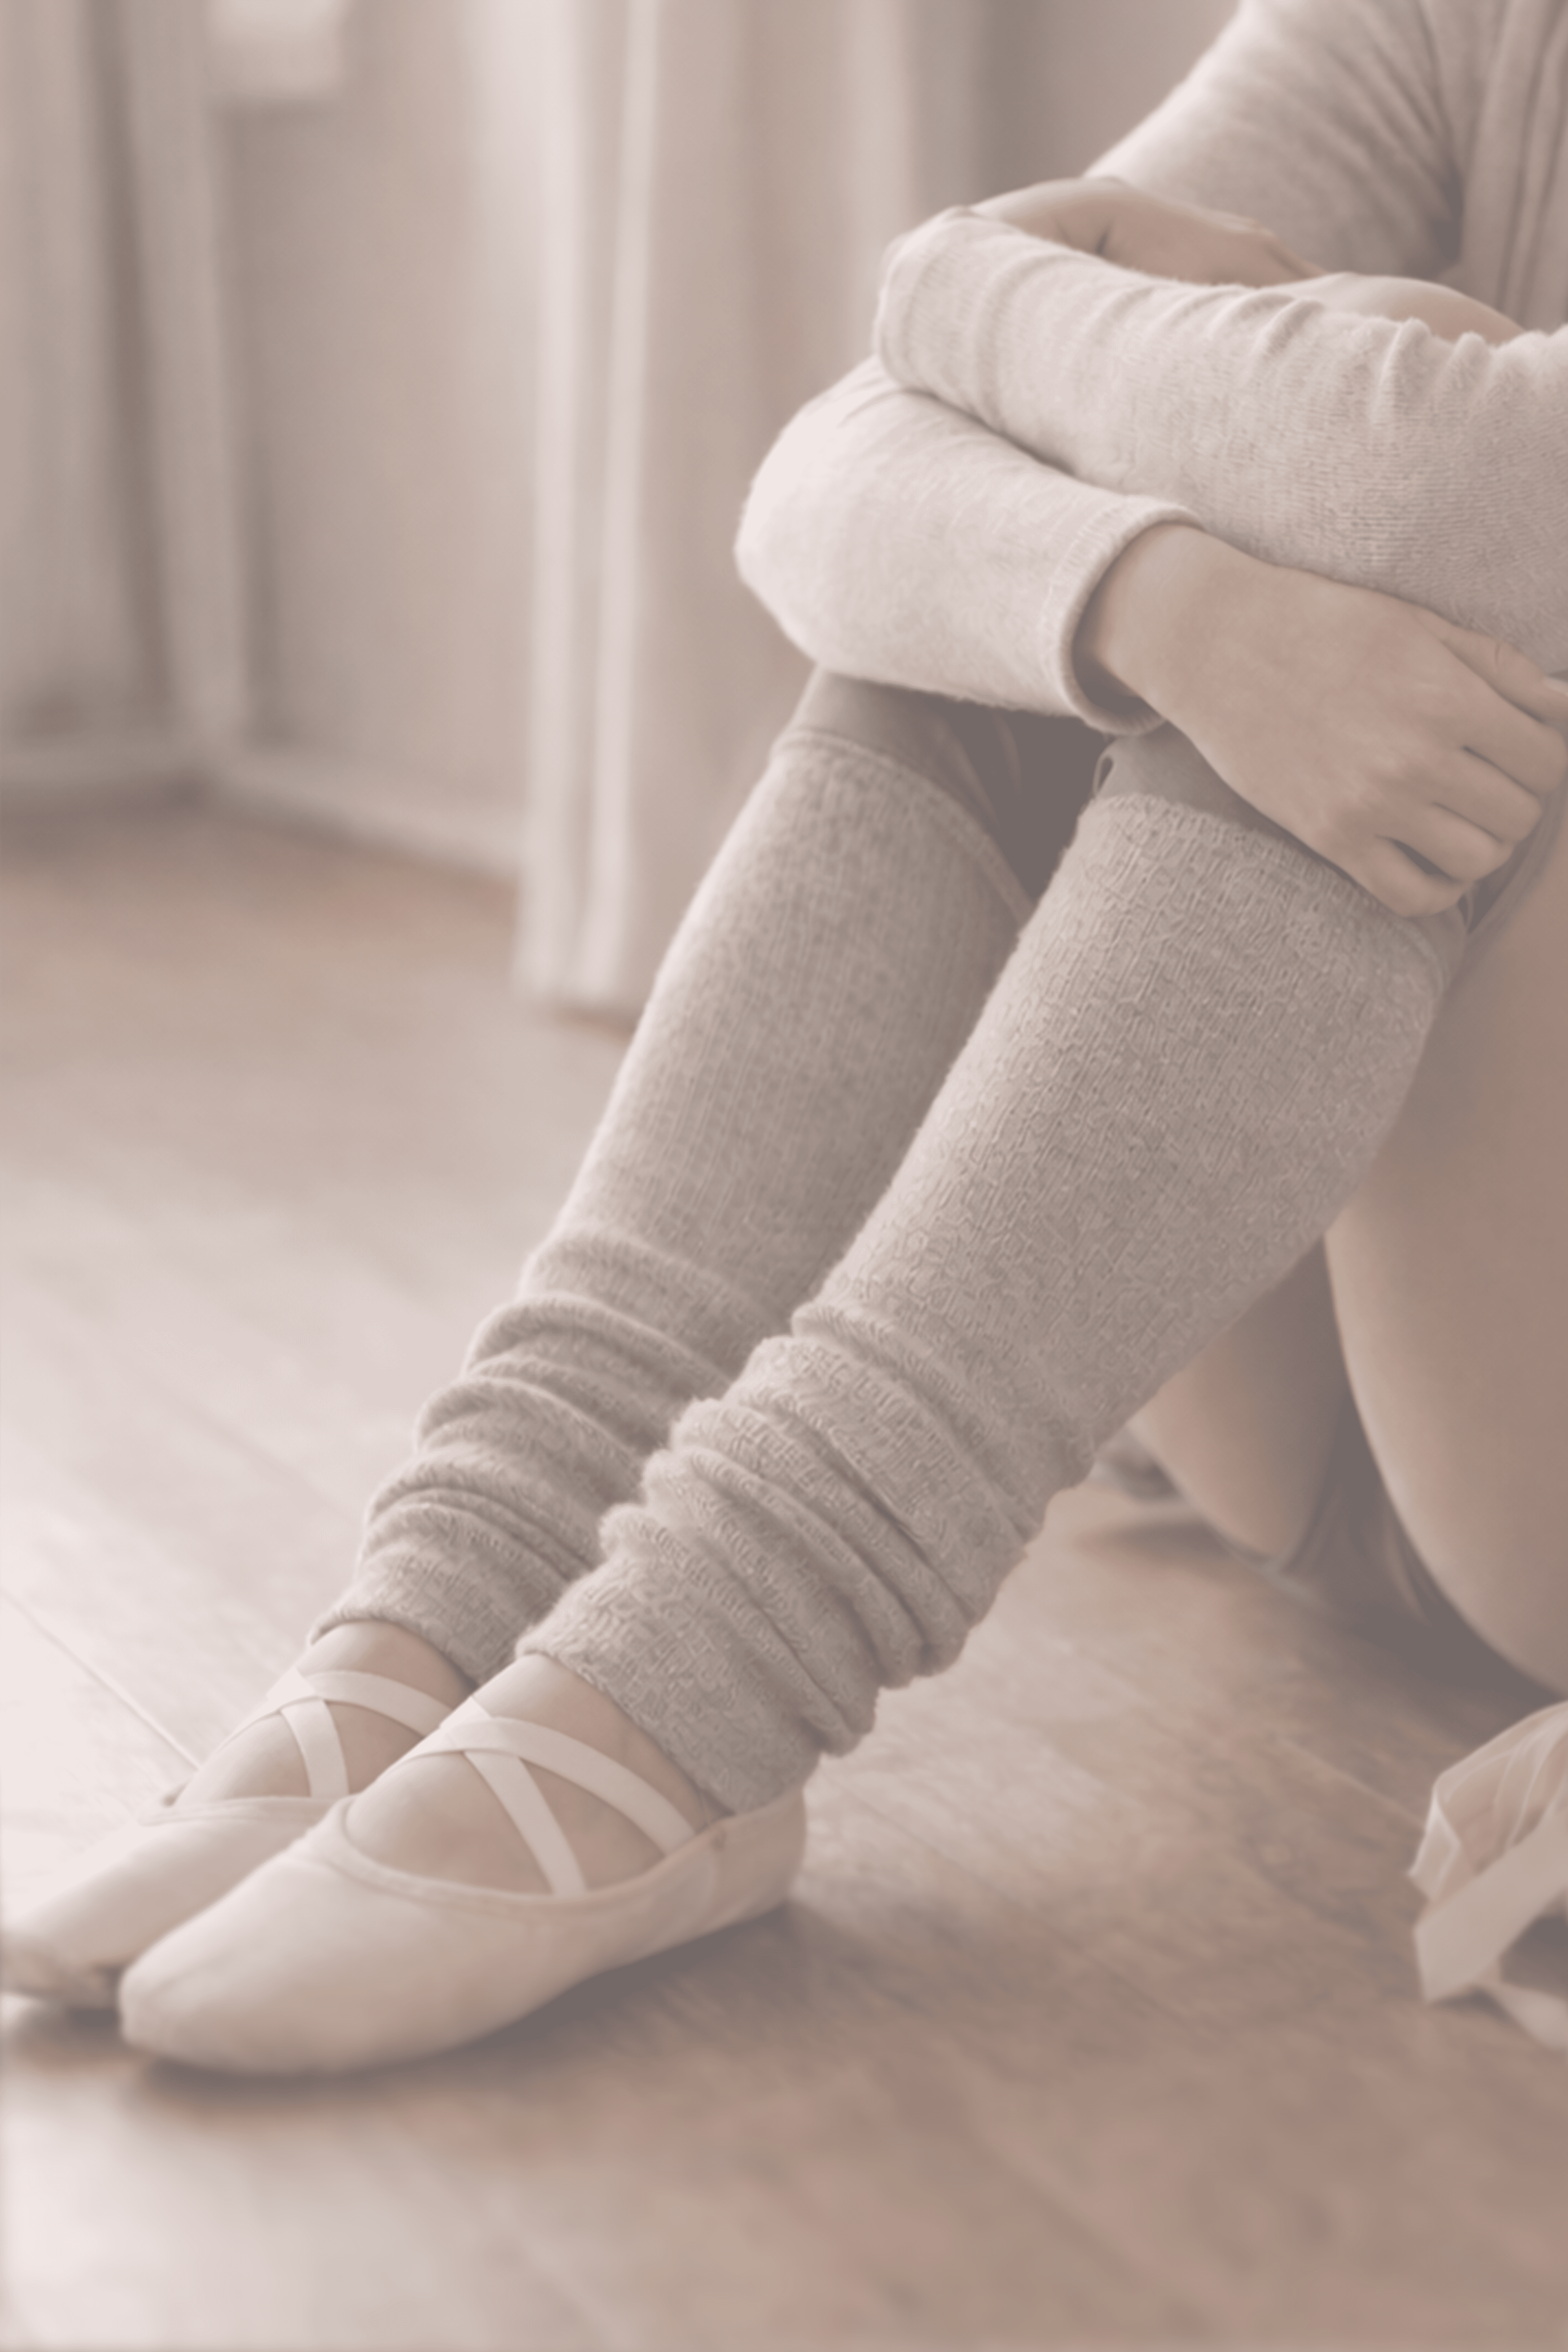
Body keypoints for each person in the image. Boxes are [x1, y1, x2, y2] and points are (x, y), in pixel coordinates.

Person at [7, 0, 1568, 2073]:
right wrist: (1155, 600)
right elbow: (840, 473)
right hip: (1337, 1416)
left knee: (1357, 516)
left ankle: (706, 1679)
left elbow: (1482, 480)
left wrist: (967, 292)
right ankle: (470, 1598)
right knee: (1093, 574)